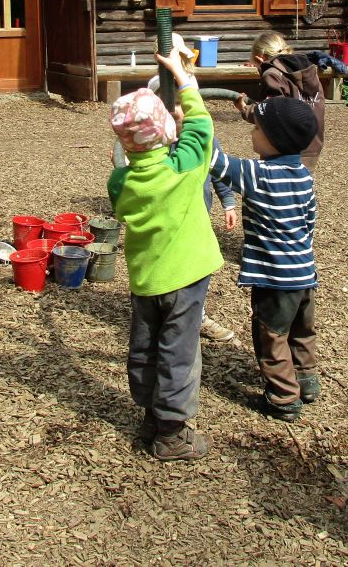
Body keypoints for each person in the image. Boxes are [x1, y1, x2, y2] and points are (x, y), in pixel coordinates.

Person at [107, 49, 223, 461]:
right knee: (179, 349)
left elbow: (122, 182)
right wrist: (185, 80)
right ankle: (172, 432)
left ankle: (149, 414)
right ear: (166, 131)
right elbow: (202, 128)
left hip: (146, 280)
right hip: (187, 277)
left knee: (145, 344)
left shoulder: (121, 182)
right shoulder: (183, 167)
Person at [209, 96, 321, 422]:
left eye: (256, 128)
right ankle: (306, 381)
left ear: (273, 139)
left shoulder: (259, 175)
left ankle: (283, 399)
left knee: (271, 337)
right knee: (302, 332)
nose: (251, 132)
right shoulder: (302, 175)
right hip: (304, 275)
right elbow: (309, 220)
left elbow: (216, 162)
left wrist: (192, 120)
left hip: (274, 279)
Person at [142, 32, 239, 343]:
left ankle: (197, 315)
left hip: (196, 214)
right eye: (173, 106)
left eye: (186, 105)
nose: (179, 111)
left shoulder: (199, 138)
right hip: (166, 214)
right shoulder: (157, 138)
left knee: (195, 266)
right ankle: (165, 315)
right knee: (166, 262)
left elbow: (218, 165)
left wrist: (228, 202)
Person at [235, 30, 326, 171]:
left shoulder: (272, 74)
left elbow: (272, 114)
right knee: (300, 186)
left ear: (260, 59)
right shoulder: (308, 70)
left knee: (279, 187)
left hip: (285, 148)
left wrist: (245, 109)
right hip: (312, 144)